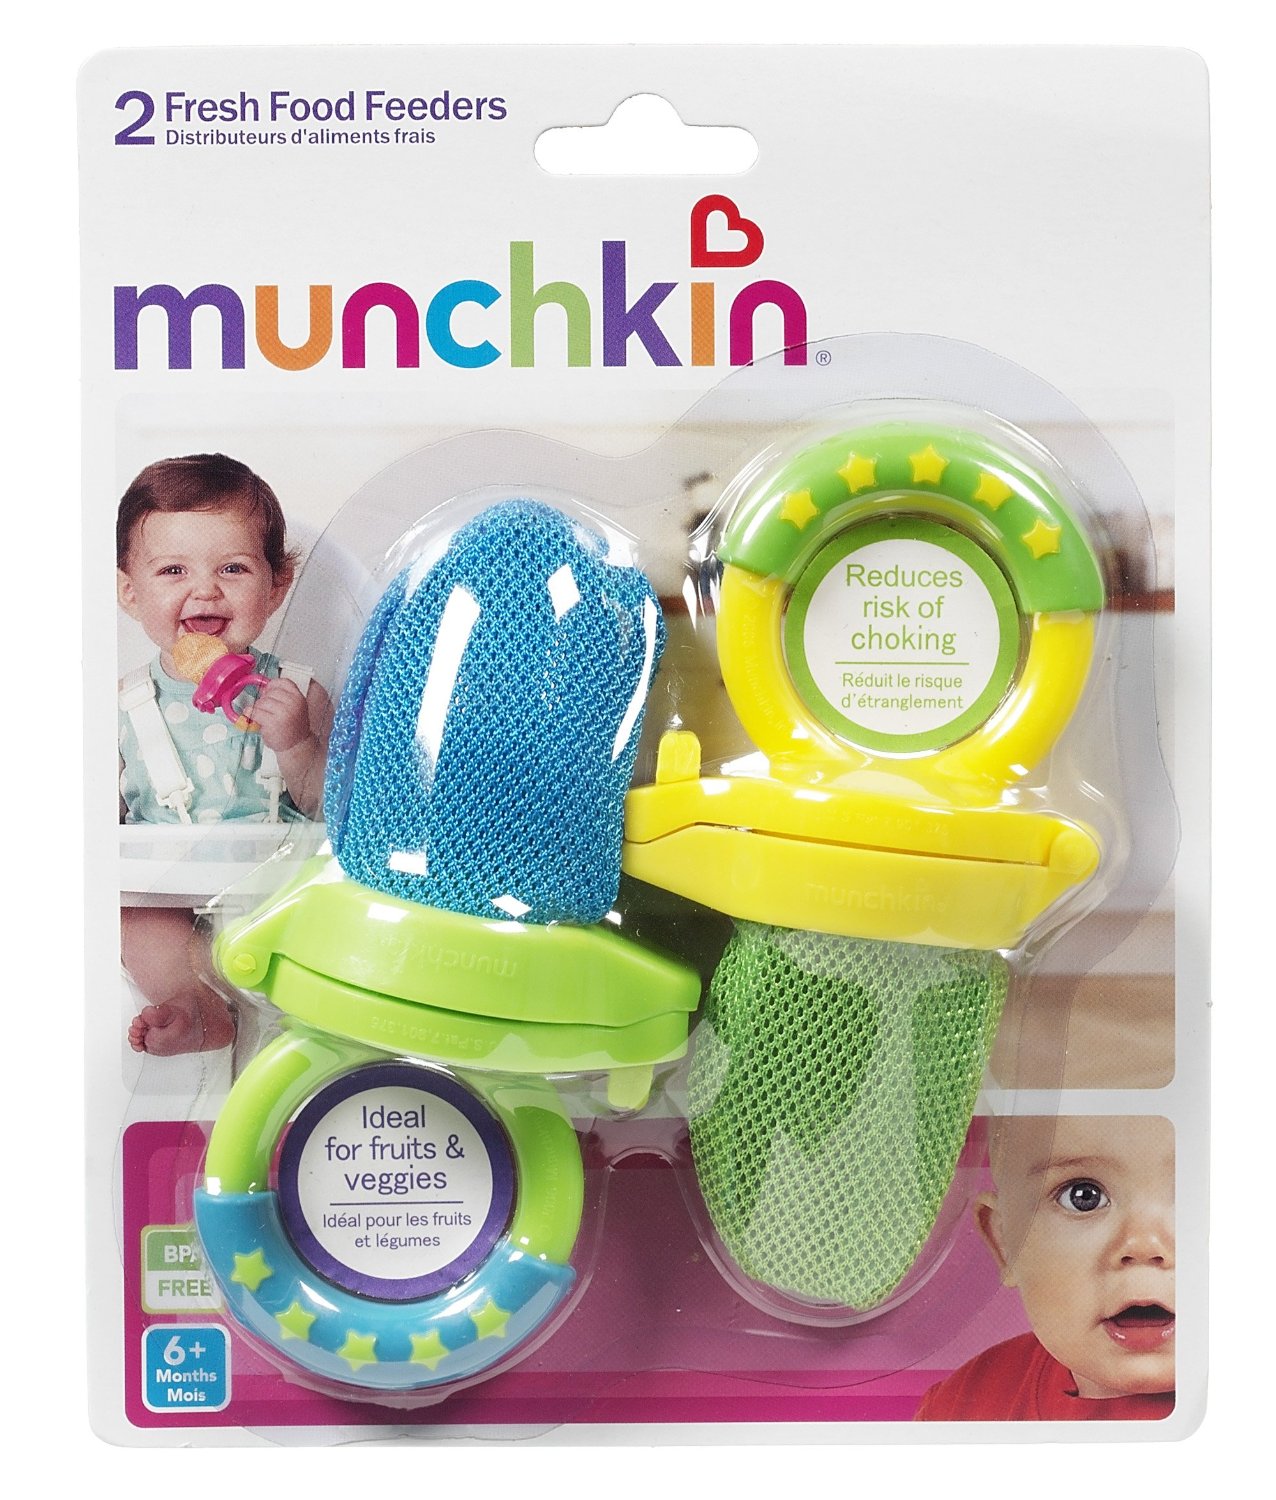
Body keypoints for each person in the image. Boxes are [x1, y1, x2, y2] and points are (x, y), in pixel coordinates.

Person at [117, 453, 331, 1055]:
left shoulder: (300, 690)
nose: (205, 590)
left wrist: (297, 744)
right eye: (173, 570)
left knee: (332, 909)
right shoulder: (123, 705)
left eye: (232, 568)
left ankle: (315, 1009)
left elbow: (330, 806)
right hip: (171, 894)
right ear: (130, 592)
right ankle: (196, 1006)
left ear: (277, 584)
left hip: (278, 888)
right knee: (130, 916)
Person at [916, 1114, 1174, 1421]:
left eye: (1198, 1195)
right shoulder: (961, 1407)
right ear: (1006, 1243)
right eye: (1083, 1197)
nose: (1143, 1246)